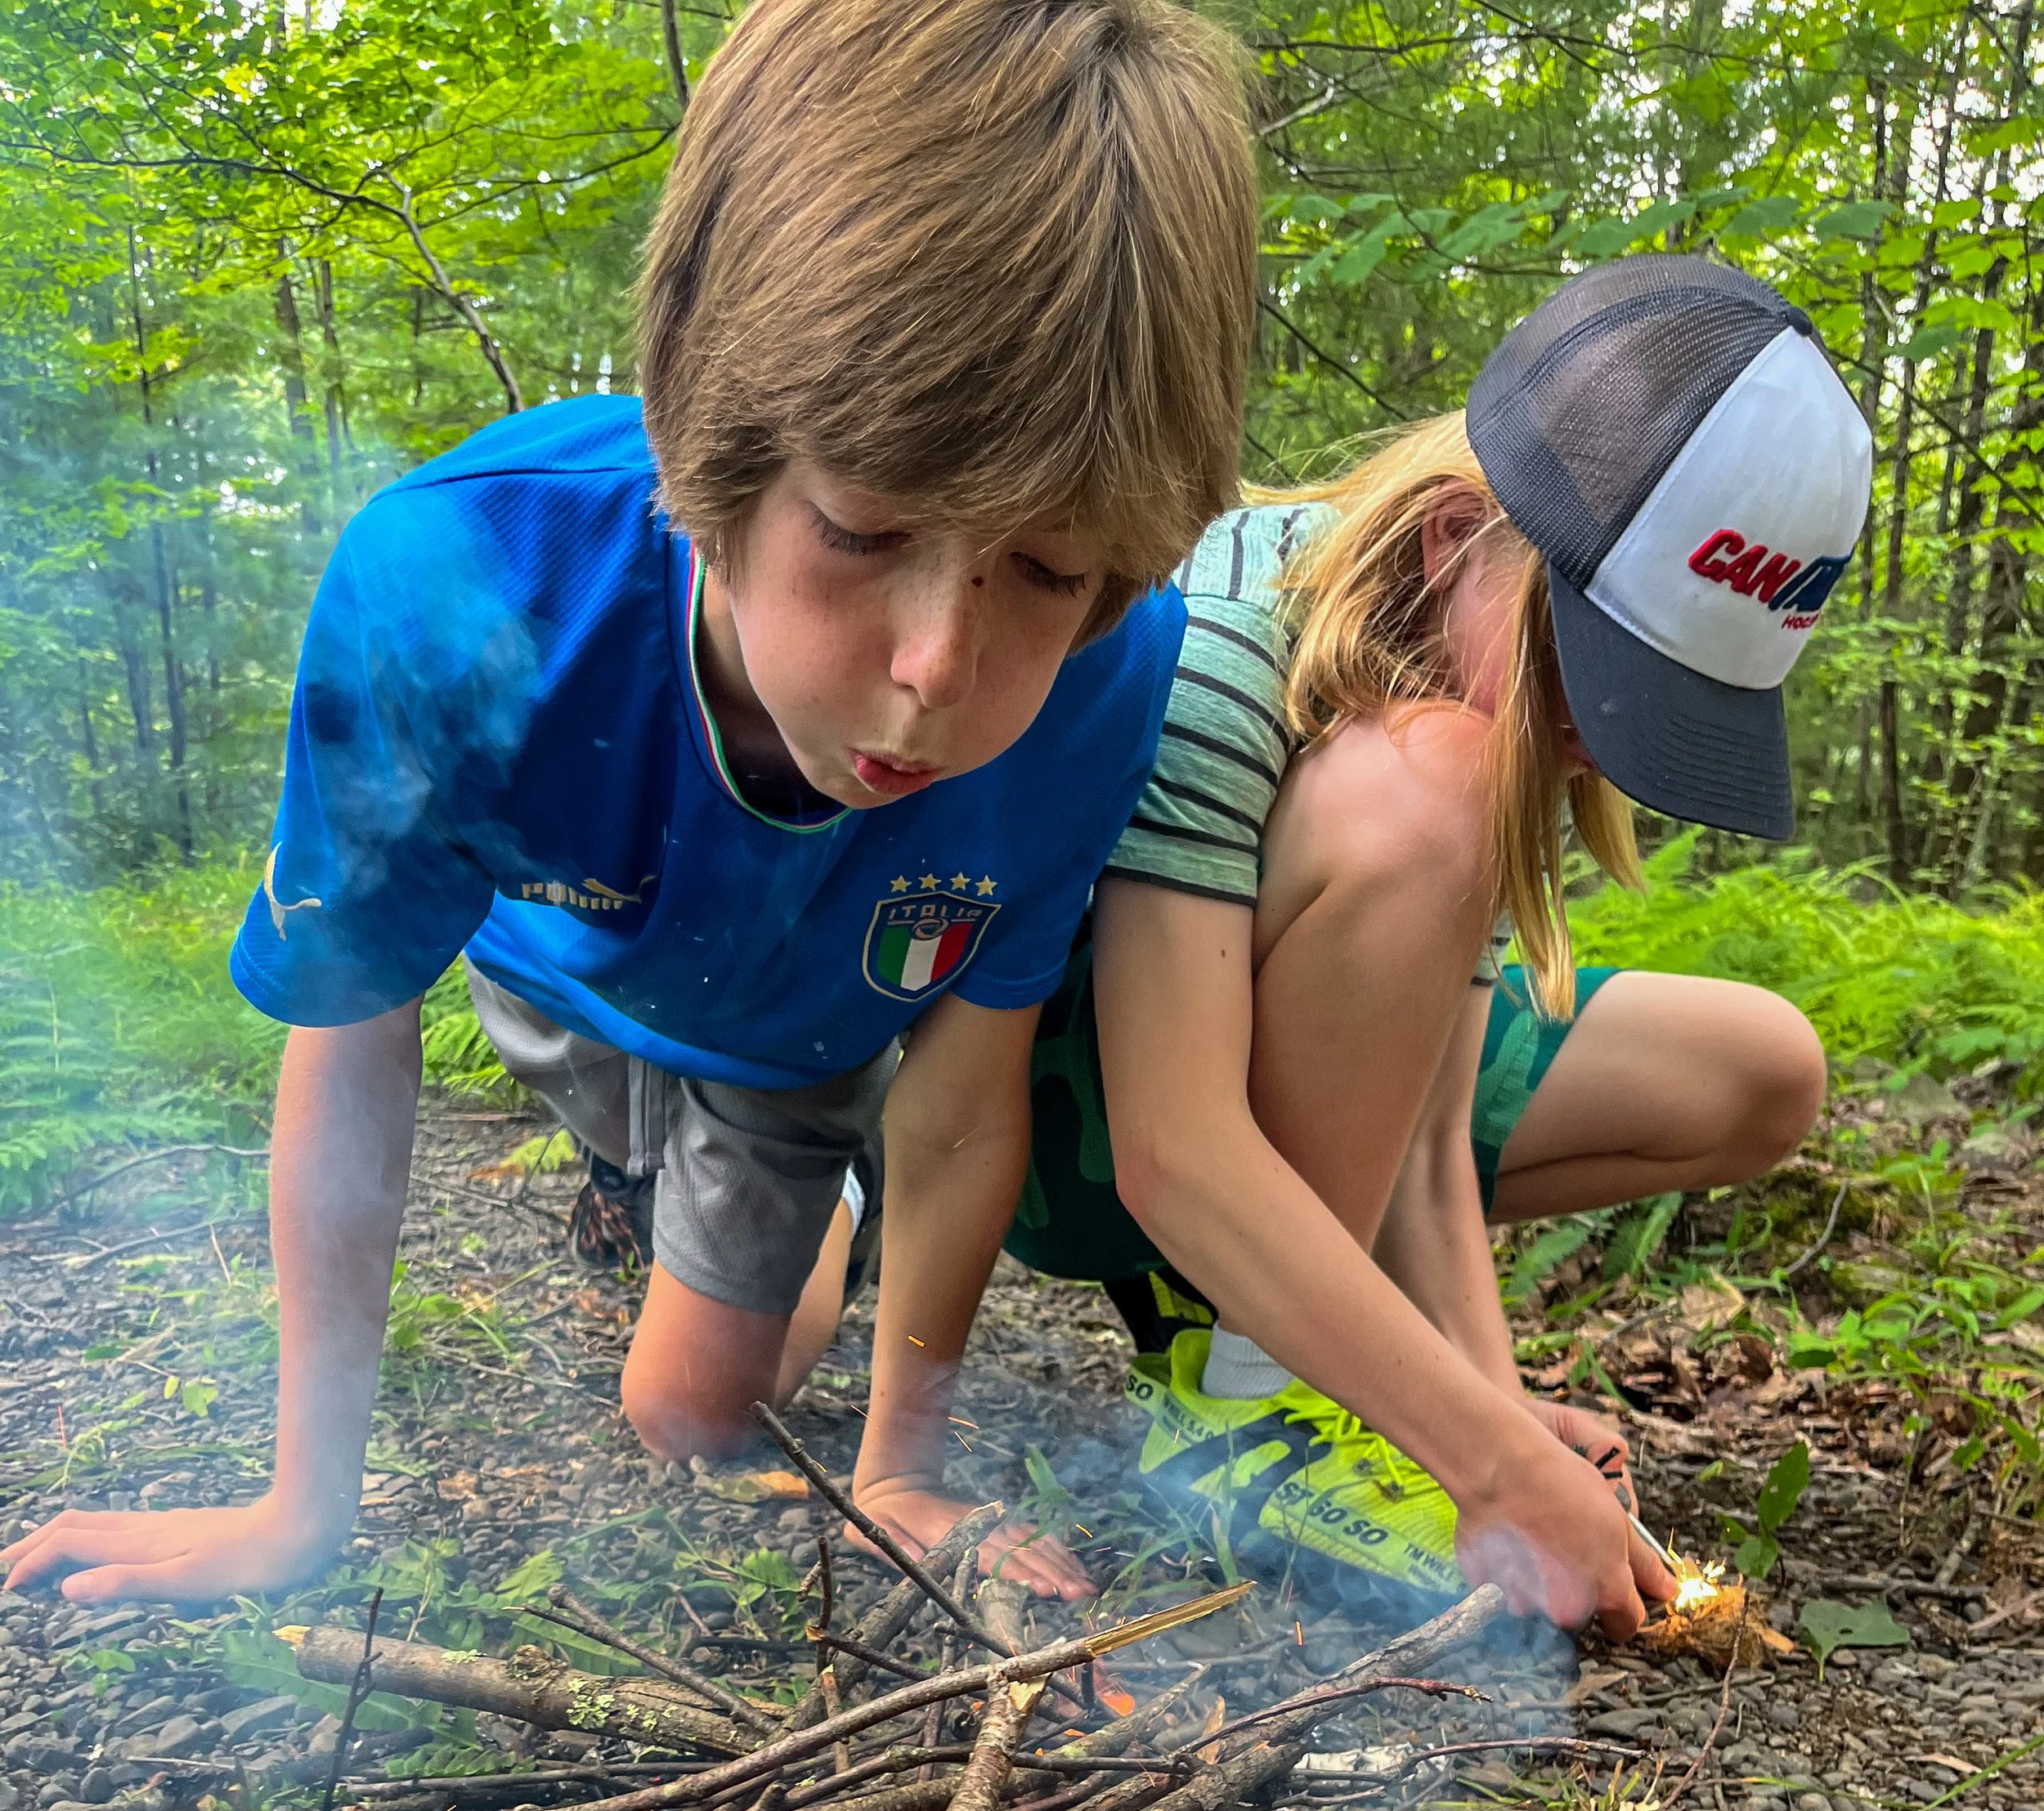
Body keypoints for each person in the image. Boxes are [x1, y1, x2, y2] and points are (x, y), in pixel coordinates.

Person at [3, 0, 1257, 1611]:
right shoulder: (465, 582)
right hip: (554, 977)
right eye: (865, 531)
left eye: (1045, 566)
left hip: (793, 1049)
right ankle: (646, 1176)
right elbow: (353, 1018)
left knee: (683, 1412)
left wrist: (900, 1465)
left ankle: (803, 1221)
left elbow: (966, 1081)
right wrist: (299, 1501)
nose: (938, 668)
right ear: (707, 431)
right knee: (627, 1138)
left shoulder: (1104, 665)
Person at [998, 256, 1871, 1635]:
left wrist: (1488, 1417)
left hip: (1263, 1117)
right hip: (1071, 1125)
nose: (1603, 741)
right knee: (1443, 777)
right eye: (1601, 680)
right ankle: (1238, 1404)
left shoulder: (1463, 689)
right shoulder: (1226, 640)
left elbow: (1420, 1134)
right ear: (1450, 539)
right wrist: (1489, 1464)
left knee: (1762, 1065)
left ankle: (1311, 1346)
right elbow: (1176, 1144)